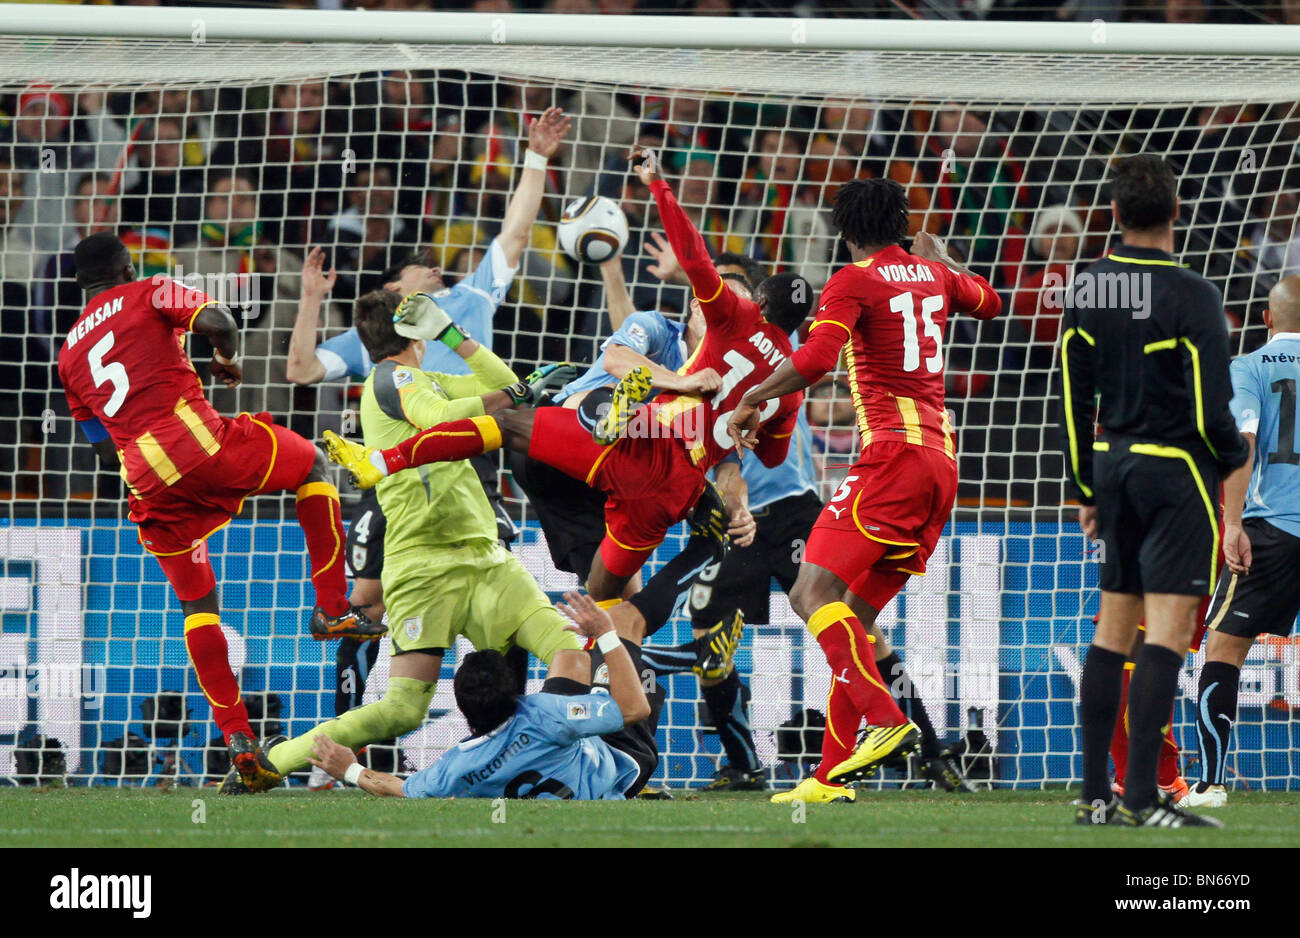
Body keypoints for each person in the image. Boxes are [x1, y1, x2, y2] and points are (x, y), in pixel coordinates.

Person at [326, 145, 811, 606]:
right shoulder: (779, 385)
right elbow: (754, 450)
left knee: (614, 596)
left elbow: (693, 259)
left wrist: (658, 184)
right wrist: (717, 416)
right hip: (641, 454)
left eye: (733, 296)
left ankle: (603, 658)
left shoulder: (733, 323)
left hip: (639, 448)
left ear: (753, 305)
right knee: (544, 413)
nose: (718, 300)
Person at [56, 232, 381, 794]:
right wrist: (224, 360)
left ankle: (239, 740)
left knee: (198, 606)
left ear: (81, 283)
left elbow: (104, 447)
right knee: (312, 469)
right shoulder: (148, 291)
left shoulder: (68, 355)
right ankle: (330, 607)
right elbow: (222, 322)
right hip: (198, 443)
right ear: (127, 266)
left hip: (146, 482)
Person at [239, 285, 586, 789]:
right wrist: (511, 395)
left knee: (565, 649)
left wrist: (452, 333)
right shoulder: (392, 378)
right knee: (404, 708)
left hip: (484, 557)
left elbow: (510, 385)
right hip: (425, 563)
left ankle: (559, 765)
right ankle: (275, 762)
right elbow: (448, 417)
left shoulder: (422, 380)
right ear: (408, 336)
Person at [728, 177, 1002, 805]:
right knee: (855, 617)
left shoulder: (853, 280)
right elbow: (989, 301)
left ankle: (884, 721)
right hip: (942, 464)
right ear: (902, 223)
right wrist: (942, 261)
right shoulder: (931, 275)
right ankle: (828, 778)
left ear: (845, 229)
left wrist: (752, 396)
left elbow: (821, 357)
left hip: (892, 457)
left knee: (811, 591)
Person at [1059, 154, 1248, 827]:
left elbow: (1072, 398)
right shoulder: (1192, 294)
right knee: (1164, 634)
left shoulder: (1086, 287)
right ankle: (1142, 796)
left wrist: (1086, 486)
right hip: (1175, 472)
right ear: (1175, 213)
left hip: (1112, 469)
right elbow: (1209, 409)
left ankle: (1093, 795)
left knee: (1112, 633)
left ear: (1112, 215)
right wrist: (1234, 458)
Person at [307, 591, 653, 800]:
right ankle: (701, 551)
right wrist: (606, 635)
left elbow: (395, 788)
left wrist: (350, 770)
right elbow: (636, 708)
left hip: (549, 772)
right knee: (625, 617)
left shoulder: (457, 766)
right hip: (623, 766)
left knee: (570, 659)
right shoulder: (547, 713)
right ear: (518, 695)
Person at [1187, 275, 1300, 808]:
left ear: (1267, 318)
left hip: (1273, 529)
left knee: (1224, 649)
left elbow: (1242, 446)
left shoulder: (1249, 367)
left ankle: (1210, 783)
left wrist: (1232, 525)